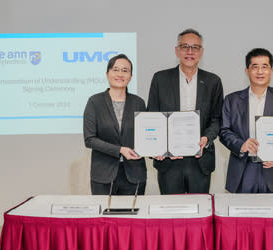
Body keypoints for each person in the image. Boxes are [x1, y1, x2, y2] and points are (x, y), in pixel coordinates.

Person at [147, 28, 224, 194]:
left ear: (201, 52)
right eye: (185, 47)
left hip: (200, 160)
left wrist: (207, 138)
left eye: (195, 47)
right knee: (171, 214)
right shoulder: (160, 79)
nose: (190, 52)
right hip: (169, 162)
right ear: (177, 50)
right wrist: (157, 147)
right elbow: (152, 117)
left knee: (199, 212)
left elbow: (217, 119)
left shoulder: (213, 81)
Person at [220, 48, 273, 193]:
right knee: (242, 214)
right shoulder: (232, 100)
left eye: (264, 67)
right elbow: (224, 131)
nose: (260, 71)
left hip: (272, 169)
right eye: (255, 67)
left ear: (271, 71)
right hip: (243, 168)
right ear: (247, 71)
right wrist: (241, 145)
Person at [83, 54, 146, 195]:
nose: (120, 74)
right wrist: (120, 150)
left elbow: (147, 134)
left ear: (131, 76)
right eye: (115, 69)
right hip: (103, 175)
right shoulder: (95, 102)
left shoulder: (139, 103)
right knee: (103, 217)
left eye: (125, 70)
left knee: (133, 217)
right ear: (107, 74)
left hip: (134, 174)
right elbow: (89, 139)